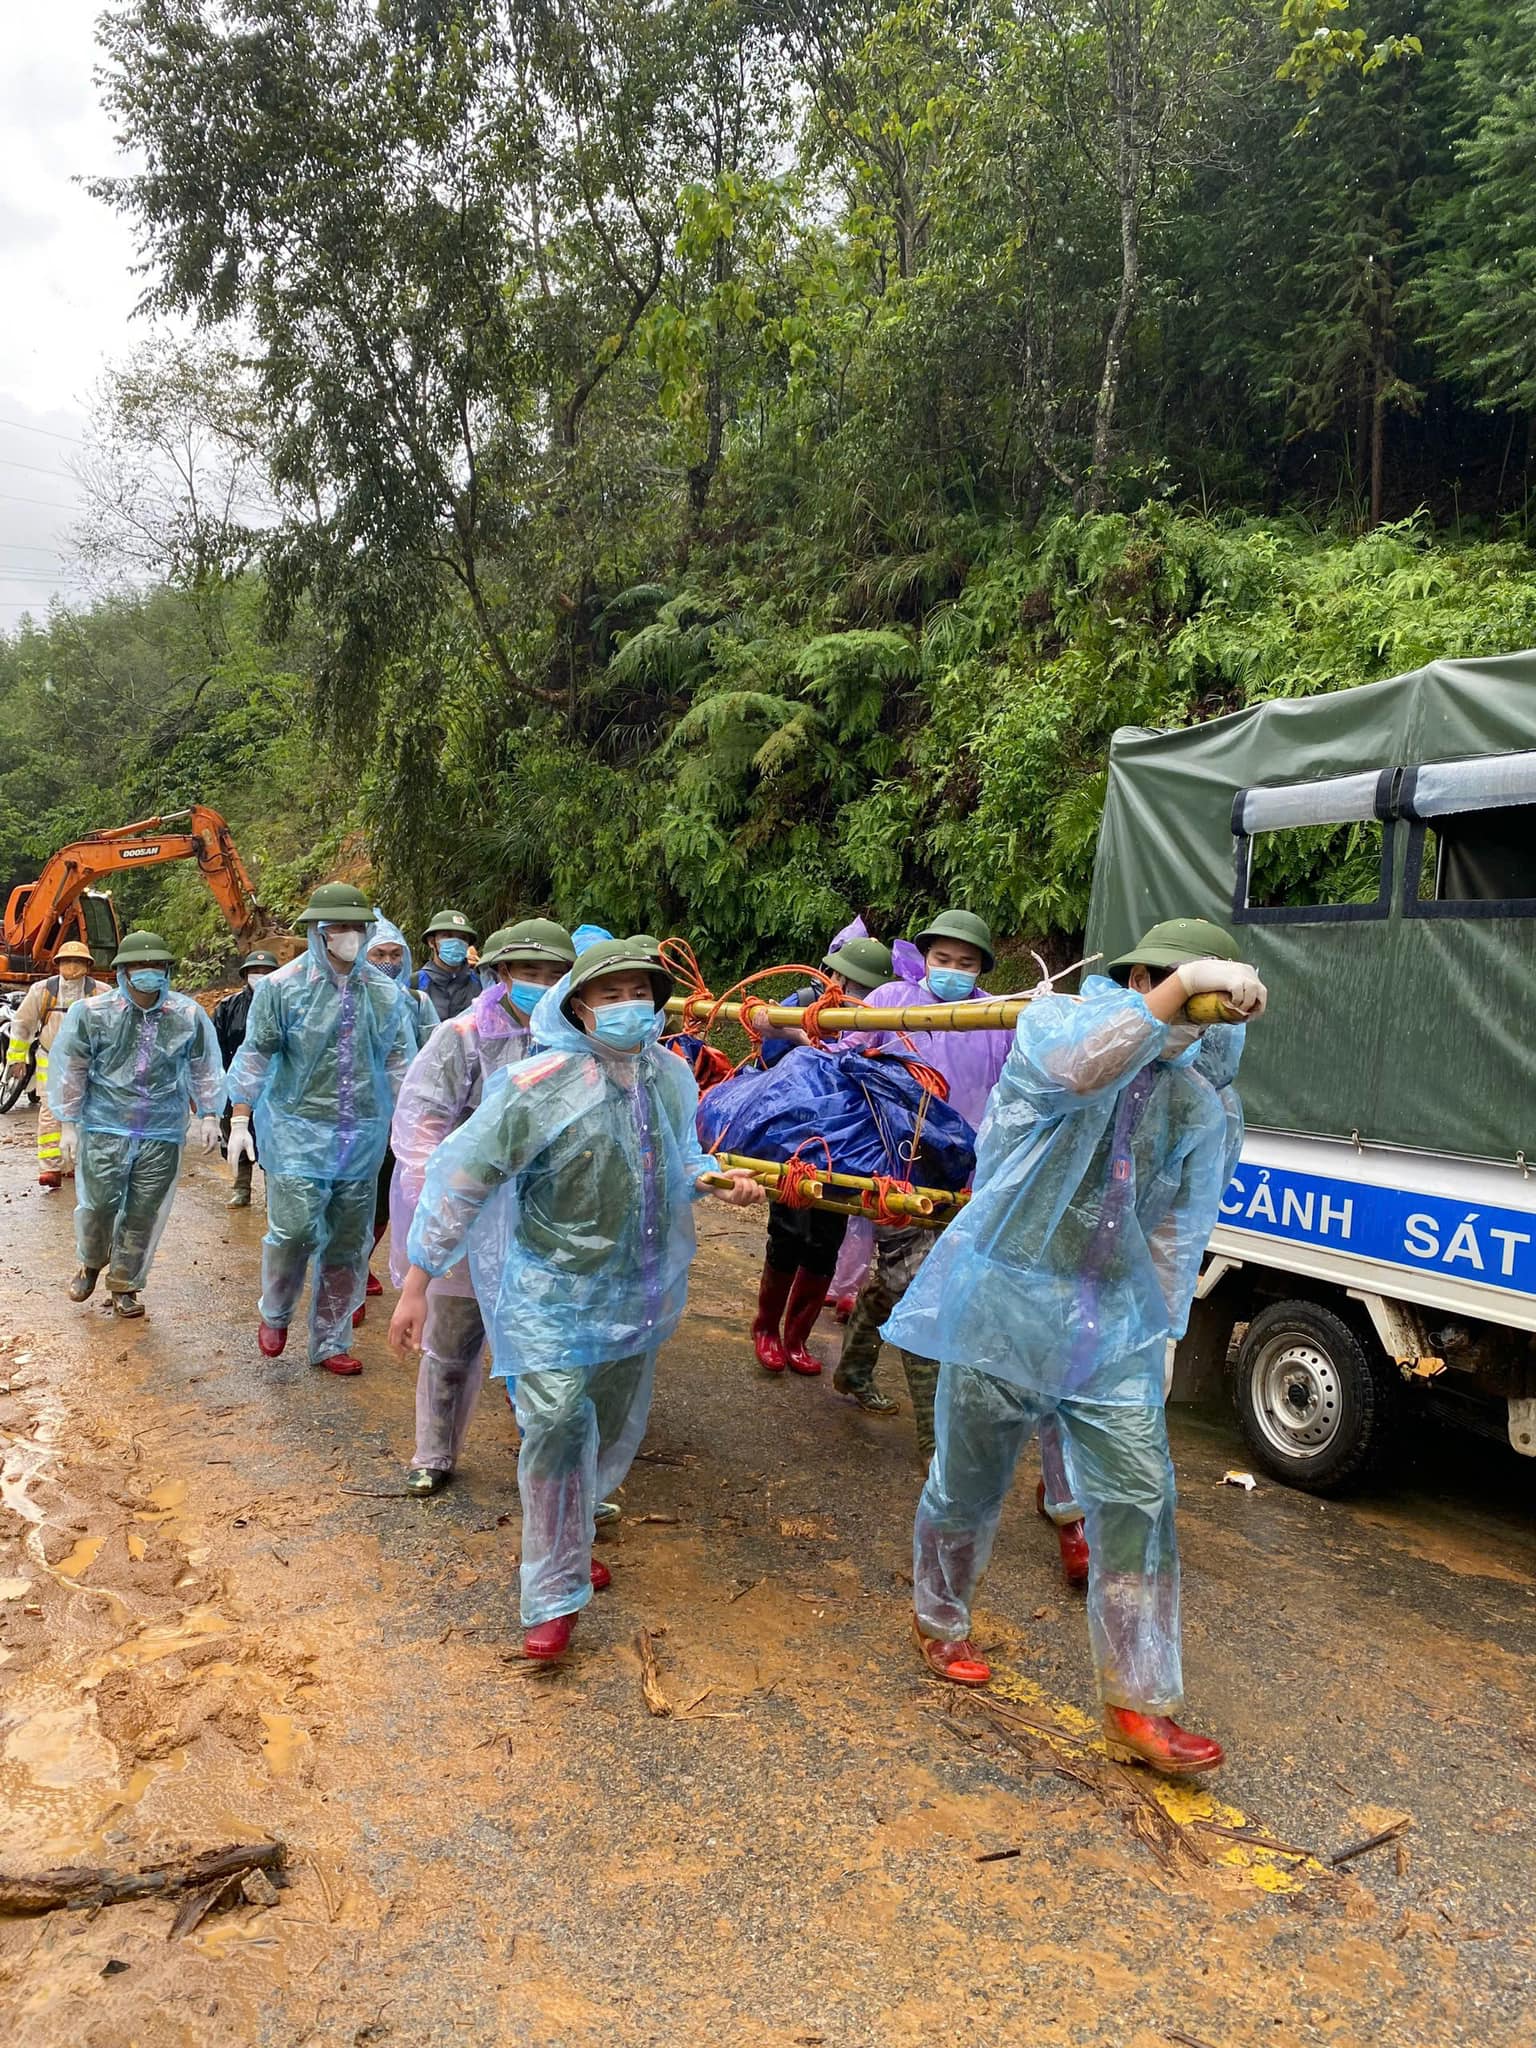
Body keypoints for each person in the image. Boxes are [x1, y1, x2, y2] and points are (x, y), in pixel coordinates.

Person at [888, 918, 1265, 1775]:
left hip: (1112, 1322)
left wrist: (1165, 1327)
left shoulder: (1193, 1098)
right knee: (968, 1482)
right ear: (1137, 979)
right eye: (1167, 984)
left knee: (1139, 1497)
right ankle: (939, 1618)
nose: (1185, 1016)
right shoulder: (1058, 1026)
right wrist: (1175, 994)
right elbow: (1079, 1069)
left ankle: (1140, 1703)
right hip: (1006, 1305)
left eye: (1202, 1005)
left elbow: (1177, 1224)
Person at [391, 937, 762, 1662]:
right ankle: (553, 1599)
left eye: (641, 995)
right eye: (611, 995)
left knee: (608, 1430)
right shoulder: (540, 1084)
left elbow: (682, 1157)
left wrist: (713, 1178)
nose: (629, 1009)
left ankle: (573, 1531)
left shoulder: (668, 1077)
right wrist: (418, 1280)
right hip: (549, 1297)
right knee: (557, 1425)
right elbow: (463, 1177)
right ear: (580, 1006)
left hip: (636, 1293)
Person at [389, 917, 576, 1495]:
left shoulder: (574, 1037)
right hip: (471, 1208)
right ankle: (434, 1451)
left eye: (553, 974)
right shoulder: (464, 1034)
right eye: (528, 972)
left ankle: (546, 1461)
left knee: (544, 1345)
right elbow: (422, 1122)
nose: (540, 984)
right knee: (452, 1339)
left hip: (545, 1213)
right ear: (500, 973)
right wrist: (438, 1209)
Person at [834, 910, 1013, 1456]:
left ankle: (853, 1370)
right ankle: (935, 1444)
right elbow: (844, 1056)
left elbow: (1016, 1090)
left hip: (965, 1170)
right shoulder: (890, 1001)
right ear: (925, 959)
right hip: (897, 1163)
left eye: (965, 963)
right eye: (942, 959)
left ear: (981, 968)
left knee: (899, 1282)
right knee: (921, 1287)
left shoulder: (996, 1017)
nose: (952, 970)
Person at [226, 882, 414, 1376]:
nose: (349, 936)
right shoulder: (282, 988)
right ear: (317, 932)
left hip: (362, 1134)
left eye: (357, 927)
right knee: (293, 1231)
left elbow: (399, 1060)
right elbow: (256, 1054)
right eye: (339, 928)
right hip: (295, 1131)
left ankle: (331, 1339)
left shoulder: (384, 992)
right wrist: (240, 1117)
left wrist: (412, 1123)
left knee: (348, 1242)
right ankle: (276, 1310)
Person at [48, 929, 224, 1317]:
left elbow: (204, 1068)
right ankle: (91, 1263)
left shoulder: (187, 1015)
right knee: (97, 1205)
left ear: (167, 970)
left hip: (162, 1131)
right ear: (122, 972)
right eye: (139, 966)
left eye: (156, 965)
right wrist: (68, 1122)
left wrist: (211, 1113)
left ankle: (125, 1284)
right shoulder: (91, 1015)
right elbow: (72, 1069)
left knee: (144, 1211)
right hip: (105, 1126)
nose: (148, 972)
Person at [749, 933, 894, 1376]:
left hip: (849, 1141)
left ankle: (797, 1339)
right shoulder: (809, 999)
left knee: (824, 1240)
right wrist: (802, 1035)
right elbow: (759, 1018)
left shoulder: (885, 1015)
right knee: (789, 1231)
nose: (855, 993)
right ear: (832, 974)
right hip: (796, 1131)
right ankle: (766, 1331)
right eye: (849, 982)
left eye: (866, 988)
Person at [359, 913, 439, 1306]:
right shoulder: (352, 999)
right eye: (379, 953)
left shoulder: (416, 1001)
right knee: (354, 1194)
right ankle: (348, 1269)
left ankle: (359, 1262)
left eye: (395, 953)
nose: (388, 961)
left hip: (402, 1117)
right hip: (356, 1116)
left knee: (387, 1198)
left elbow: (434, 1055)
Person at [6, 941, 110, 1188]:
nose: (71, 966)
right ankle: (51, 1168)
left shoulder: (102, 993)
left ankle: (74, 1163)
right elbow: (22, 1025)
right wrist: (17, 1058)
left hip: (88, 1062)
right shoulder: (42, 991)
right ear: (58, 964)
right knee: (51, 1112)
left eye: (77, 961)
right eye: (66, 961)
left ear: (87, 965)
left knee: (86, 1112)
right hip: (49, 1058)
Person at [213, 949, 279, 1208]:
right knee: (236, 1134)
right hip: (236, 1084)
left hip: (274, 1087)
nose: (260, 976)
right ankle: (241, 1187)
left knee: (272, 1140)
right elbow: (216, 1046)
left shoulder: (285, 1004)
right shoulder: (228, 1007)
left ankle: (274, 1192)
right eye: (255, 972)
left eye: (266, 972)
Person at [417, 909, 480, 1023]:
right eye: (447, 936)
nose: (456, 942)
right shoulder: (415, 984)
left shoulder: (479, 982)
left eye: (462, 938)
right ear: (432, 942)